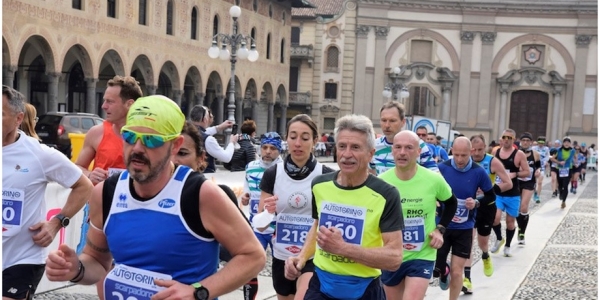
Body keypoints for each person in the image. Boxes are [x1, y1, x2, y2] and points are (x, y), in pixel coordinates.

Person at [45, 95, 265, 300]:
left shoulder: (199, 194)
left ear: (175, 146)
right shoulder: (106, 192)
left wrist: (198, 291)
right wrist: (76, 269)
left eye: (151, 140)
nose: (137, 148)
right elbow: (97, 261)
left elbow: (253, 256)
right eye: (130, 137)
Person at [285, 114, 404, 299]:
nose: (347, 154)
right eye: (342, 146)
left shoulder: (386, 194)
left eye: (355, 147)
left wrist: (343, 248)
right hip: (322, 286)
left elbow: (395, 257)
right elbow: (317, 226)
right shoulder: (320, 185)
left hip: (364, 290)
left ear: (370, 153)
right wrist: (300, 258)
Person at [3, 85, 92, 300]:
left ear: (18, 119)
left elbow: (84, 186)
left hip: (21, 258)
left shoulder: (39, 154)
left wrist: (57, 222)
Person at [72, 76, 143, 300]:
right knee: (99, 263)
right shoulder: (97, 132)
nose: (103, 106)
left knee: (134, 266)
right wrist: (90, 174)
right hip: (101, 209)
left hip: (138, 211)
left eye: (110, 101)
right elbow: (76, 169)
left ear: (129, 104)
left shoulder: (146, 136)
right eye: (104, 100)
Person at [258, 114, 335, 300]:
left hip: (312, 257)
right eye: (293, 137)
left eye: (305, 138)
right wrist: (267, 212)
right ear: (286, 139)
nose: (298, 143)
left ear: (315, 141)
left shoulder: (326, 176)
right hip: (281, 255)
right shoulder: (272, 174)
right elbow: (260, 225)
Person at [379, 131, 457, 300]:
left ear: (418, 152)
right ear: (392, 150)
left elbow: (451, 203)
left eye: (409, 148)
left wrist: (440, 230)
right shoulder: (381, 182)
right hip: (391, 254)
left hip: (422, 254)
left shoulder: (433, 179)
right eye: (398, 147)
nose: (402, 152)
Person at [435, 137, 495, 300]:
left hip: (465, 228)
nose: (460, 160)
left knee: (457, 271)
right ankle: (442, 271)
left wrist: (476, 202)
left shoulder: (478, 172)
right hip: (442, 226)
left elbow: (491, 196)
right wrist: (435, 201)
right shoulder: (441, 169)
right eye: (457, 155)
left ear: (471, 152)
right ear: (451, 152)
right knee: (437, 267)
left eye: (464, 155)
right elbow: (429, 191)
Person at [461, 134, 512, 294]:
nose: (476, 153)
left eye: (480, 150)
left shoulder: (492, 162)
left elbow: (508, 183)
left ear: (486, 148)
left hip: (486, 206)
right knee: (468, 241)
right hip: (468, 206)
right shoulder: (463, 161)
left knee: (482, 242)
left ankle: (485, 255)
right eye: (473, 150)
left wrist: (490, 191)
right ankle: (467, 279)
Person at [240, 132, 284, 300]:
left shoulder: (284, 169)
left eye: (273, 148)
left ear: (279, 151)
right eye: (264, 147)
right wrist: (246, 197)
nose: (267, 151)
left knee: (279, 270)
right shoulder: (251, 167)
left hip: (277, 228)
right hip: (256, 227)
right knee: (249, 268)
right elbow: (247, 190)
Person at [490, 129, 530, 257]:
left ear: (513, 139)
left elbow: (527, 172)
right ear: (501, 138)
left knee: (510, 222)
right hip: (498, 192)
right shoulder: (495, 152)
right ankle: (499, 238)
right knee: (494, 218)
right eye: (504, 137)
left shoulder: (519, 154)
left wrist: (515, 174)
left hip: (513, 193)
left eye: (509, 137)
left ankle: (507, 246)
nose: (506, 140)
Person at [372, 101, 437, 175]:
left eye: (392, 121)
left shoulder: (418, 144)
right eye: (384, 120)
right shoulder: (373, 146)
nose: (387, 125)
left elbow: (435, 174)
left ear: (403, 122)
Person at [189, 105, 239, 173]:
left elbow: (205, 131)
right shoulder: (208, 140)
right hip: (204, 176)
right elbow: (226, 157)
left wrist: (220, 127)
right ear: (205, 120)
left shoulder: (187, 133)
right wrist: (232, 142)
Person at [516, 133, 541, 246]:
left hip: (529, 183)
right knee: (517, 208)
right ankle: (519, 226)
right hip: (516, 182)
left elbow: (539, 166)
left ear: (531, 142)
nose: (525, 142)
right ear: (520, 141)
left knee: (524, 206)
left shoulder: (535, 154)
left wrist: (538, 171)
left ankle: (522, 232)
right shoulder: (515, 153)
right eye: (523, 140)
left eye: (527, 140)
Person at [549, 137, 576, 209]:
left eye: (568, 142)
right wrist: (559, 162)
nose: (567, 143)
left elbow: (575, 158)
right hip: (559, 169)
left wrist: (575, 162)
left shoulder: (573, 151)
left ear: (570, 143)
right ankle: (561, 193)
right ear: (563, 143)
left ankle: (563, 201)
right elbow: (552, 158)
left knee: (566, 185)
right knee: (560, 185)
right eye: (565, 142)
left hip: (568, 169)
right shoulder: (558, 150)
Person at [532, 136, 550, 203]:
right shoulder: (533, 148)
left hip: (542, 167)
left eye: (542, 143)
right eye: (539, 143)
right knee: (534, 183)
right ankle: (535, 192)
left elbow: (547, 156)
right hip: (534, 167)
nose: (540, 144)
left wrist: (546, 162)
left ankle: (538, 196)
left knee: (540, 182)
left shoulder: (546, 149)